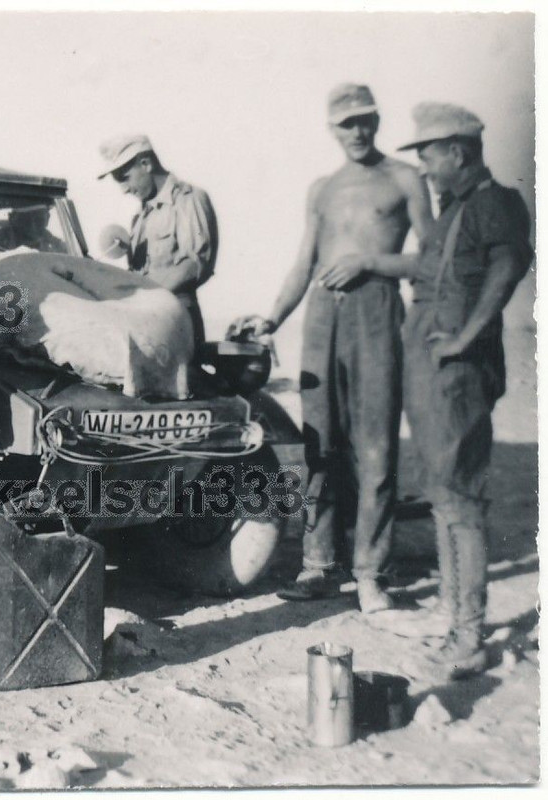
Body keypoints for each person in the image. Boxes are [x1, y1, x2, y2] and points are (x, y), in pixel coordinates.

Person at [325, 103, 531, 677]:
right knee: (443, 494)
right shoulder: (453, 212)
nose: (427, 169)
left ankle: (469, 634)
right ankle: (450, 608)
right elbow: (427, 267)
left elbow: (509, 267)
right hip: (432, 371)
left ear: (458, 153)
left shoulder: (494, 203)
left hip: (458, 375)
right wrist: (370, 261)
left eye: (431, 157)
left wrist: (465, 337)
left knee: (461, 500)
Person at [229, 84, 432, 613]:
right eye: (346, 123)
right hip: (322, 316)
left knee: (377, 449)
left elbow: (432, 260)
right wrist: (271, 318)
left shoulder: (404, 178)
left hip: (376, 311)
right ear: (332, 129)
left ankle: (371, 574)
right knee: (319, 447)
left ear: (378, 120)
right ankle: (318, 565)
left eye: (366, 120)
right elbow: (303, 263)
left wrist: (372, 263)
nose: (358, 132)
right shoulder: (322, 188)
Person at [97, 134, 218, 347]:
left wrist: (142, 296)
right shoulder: (142, 215)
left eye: (124, 177)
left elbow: (196, 264)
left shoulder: (187, 200)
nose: (124, 189)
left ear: (146, 164)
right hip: (142, 323)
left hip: (176, 323)